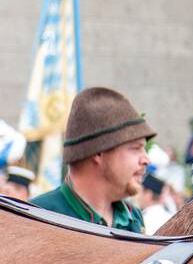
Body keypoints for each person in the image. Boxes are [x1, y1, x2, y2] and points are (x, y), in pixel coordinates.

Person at [30, 87, 152, 232]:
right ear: (99, 152)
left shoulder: (134, 218)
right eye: (135, 148)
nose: (146, 160)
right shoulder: (37, 217)